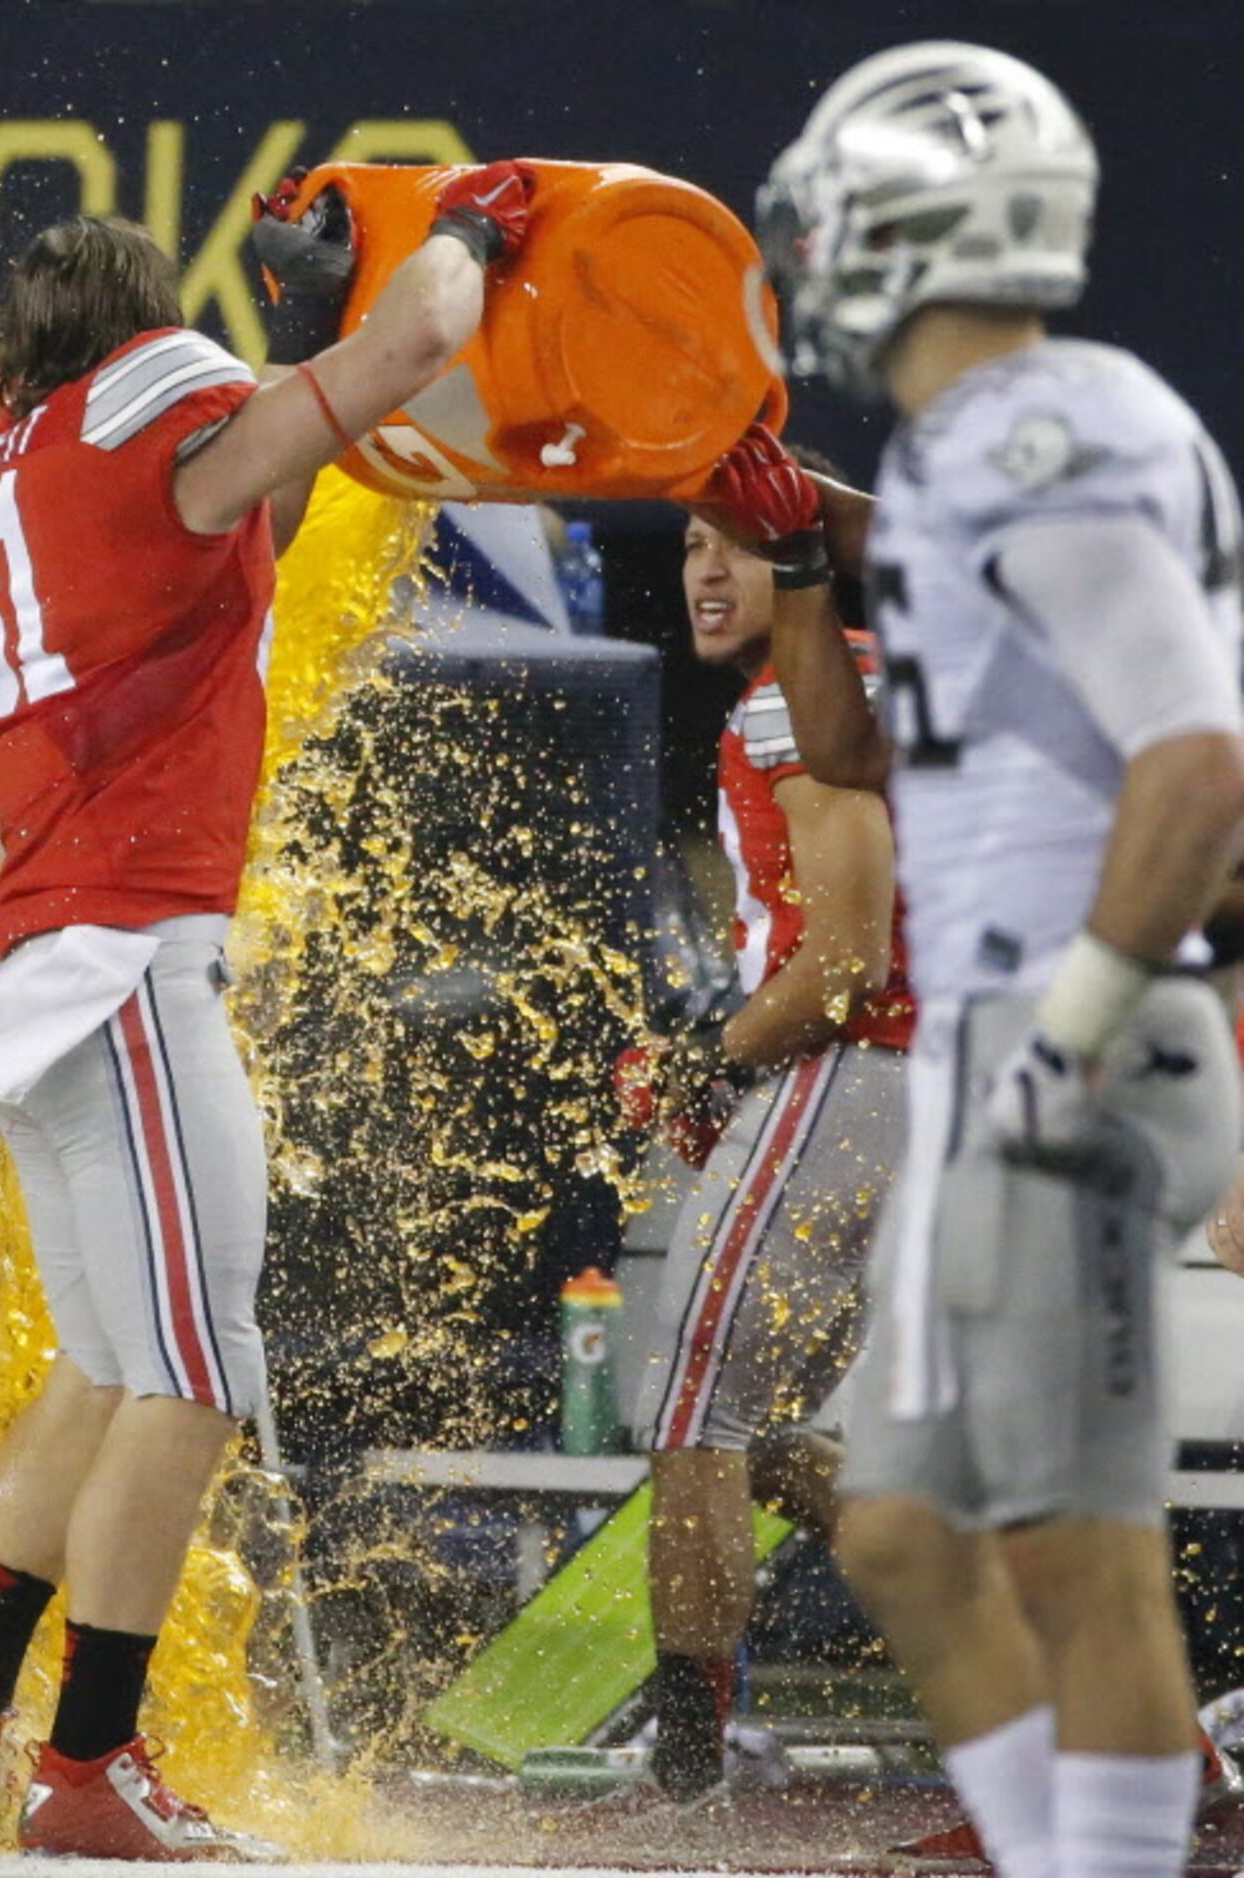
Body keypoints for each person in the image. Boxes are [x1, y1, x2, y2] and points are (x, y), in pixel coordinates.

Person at [0, 165, 537, 1860]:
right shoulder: (137, 405)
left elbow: (239, 522)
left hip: (39, 952)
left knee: (107, 1362)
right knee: (198, 1370)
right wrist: (468, 227)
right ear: (137, 331)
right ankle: (85, 1764)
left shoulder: (13, 456)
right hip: (121, 955)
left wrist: (302, 333)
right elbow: (414, 355)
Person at [746, 44, 1244, 1878]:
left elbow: (1199, 757)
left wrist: (1076, 1032)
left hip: (1073, 1034)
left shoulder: (1057, 427)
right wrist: (807, 560)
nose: (808, 248)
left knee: (1075, 1552)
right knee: (894, 1529)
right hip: (982, 1042)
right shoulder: (958, 461)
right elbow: (865, 757)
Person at [617, 452, 913, 1804]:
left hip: (850, 1074)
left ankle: (688, 1755)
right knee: (764, 1422)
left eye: (736, 543)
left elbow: (845, 959)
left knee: (691, 1398)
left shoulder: (812, 695)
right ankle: (1019, 1645)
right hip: (905, 1086)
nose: (705, 571)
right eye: (689, 546)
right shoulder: (839, 678)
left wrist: (706, 1056)